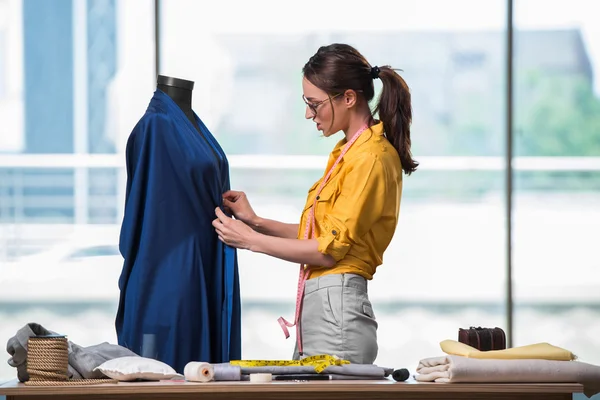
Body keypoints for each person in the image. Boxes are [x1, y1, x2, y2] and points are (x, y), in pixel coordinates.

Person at [212, 43, 417, 364]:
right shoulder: (347, 152)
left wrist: (250, 241)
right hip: (325, 306)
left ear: (349, 98)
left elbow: (325, 250)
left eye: (314, 103)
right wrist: (256, 222)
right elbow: (321, 233)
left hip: (337, 308)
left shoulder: (370, 158)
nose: (309, 113)